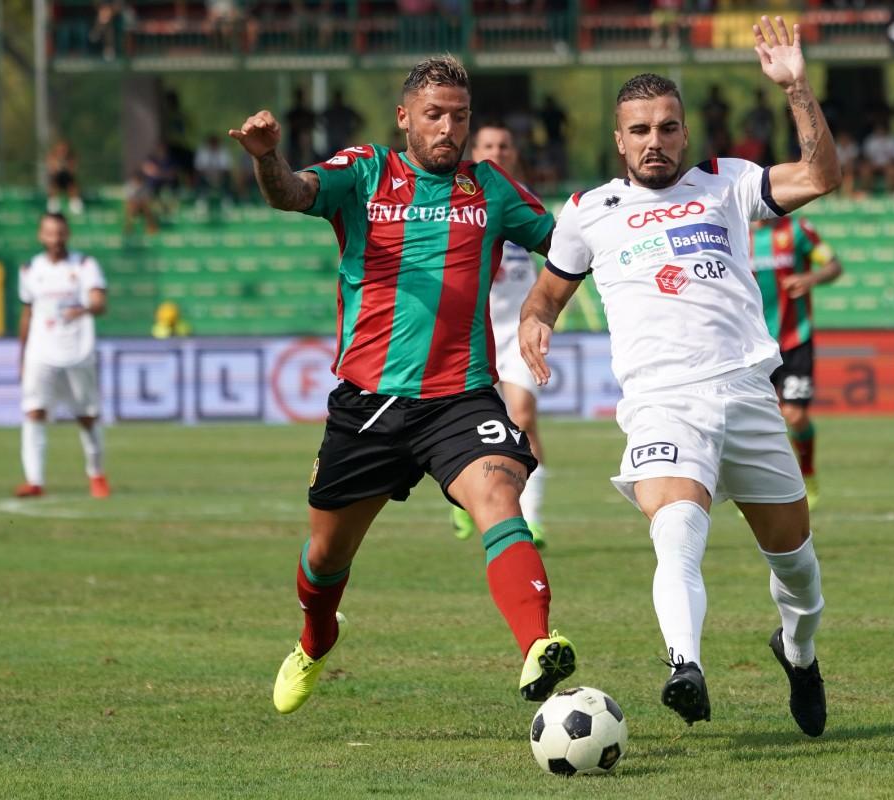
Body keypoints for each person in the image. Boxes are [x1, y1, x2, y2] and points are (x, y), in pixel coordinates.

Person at [228, 55, 576, 716]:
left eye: (460, 117)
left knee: (500, 495)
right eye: (435, 115)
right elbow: (291, 193)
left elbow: (566, 251)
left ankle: (537, 642)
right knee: (326, 557)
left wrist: (539, 311)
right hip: (368, 402)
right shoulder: (364, 173)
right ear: (404, 118)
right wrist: (266, 159)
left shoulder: (492, 188)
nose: (449, 129)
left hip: (461, 397)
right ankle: (314, 640)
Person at [518, 16, 837, 737]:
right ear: (619, 138)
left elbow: (820, 175)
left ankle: (799, 651)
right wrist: (535, 319)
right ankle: (683, 666)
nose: (653, 141)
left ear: (684, 133)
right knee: (676, 536)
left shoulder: (729, 184)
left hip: (748, 393)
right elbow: (549, 292)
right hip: (662, 404)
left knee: (800, 575)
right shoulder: (587, 213)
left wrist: (796, 89)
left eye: (666, 127)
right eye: (639, 130)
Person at [450, 122, 548, 548]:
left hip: (515, 332)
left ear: (514, 151)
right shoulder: (458, 197)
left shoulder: (524, 199)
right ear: (474, 149)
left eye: (504, 144)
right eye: (488, 145)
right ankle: (464, 501)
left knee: (523, 417)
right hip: (470, 329)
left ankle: (532, 517)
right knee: (461, 422)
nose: (497, 151)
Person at [750, 215, 842, 511]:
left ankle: (808, 473)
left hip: (794, 338)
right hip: (751, 344)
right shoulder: (733, 231)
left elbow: (833, 265)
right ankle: (750, 490)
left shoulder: (797, 230)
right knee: (751, 422)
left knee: (795, 416)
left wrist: (810, 278)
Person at [15, 213, 110, 499]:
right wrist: (21, 354)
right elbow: (28, 312)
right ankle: (34, 480)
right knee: (34, 411)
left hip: (77, 351)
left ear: (67, 234)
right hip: (40, 351)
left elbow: (99, 302)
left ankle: (96, 474)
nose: (55, 239)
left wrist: (82, 309)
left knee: (87, 416)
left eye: (59, 233)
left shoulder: (84, 265)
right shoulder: (30, 269)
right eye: (49, 233)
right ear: (41, 236)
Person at [46, 140, 84, 215]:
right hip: (57, 180)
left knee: (72, 184)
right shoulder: (52, 157)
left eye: (64, 149)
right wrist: (57, 167)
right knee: (54, 182)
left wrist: (65, 167)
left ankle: (75, 205)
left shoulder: (71, 158)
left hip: (68, 180)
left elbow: (73, 170)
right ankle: (53, 205)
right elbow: (51, 170)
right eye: (60, 149)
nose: (62, 151)